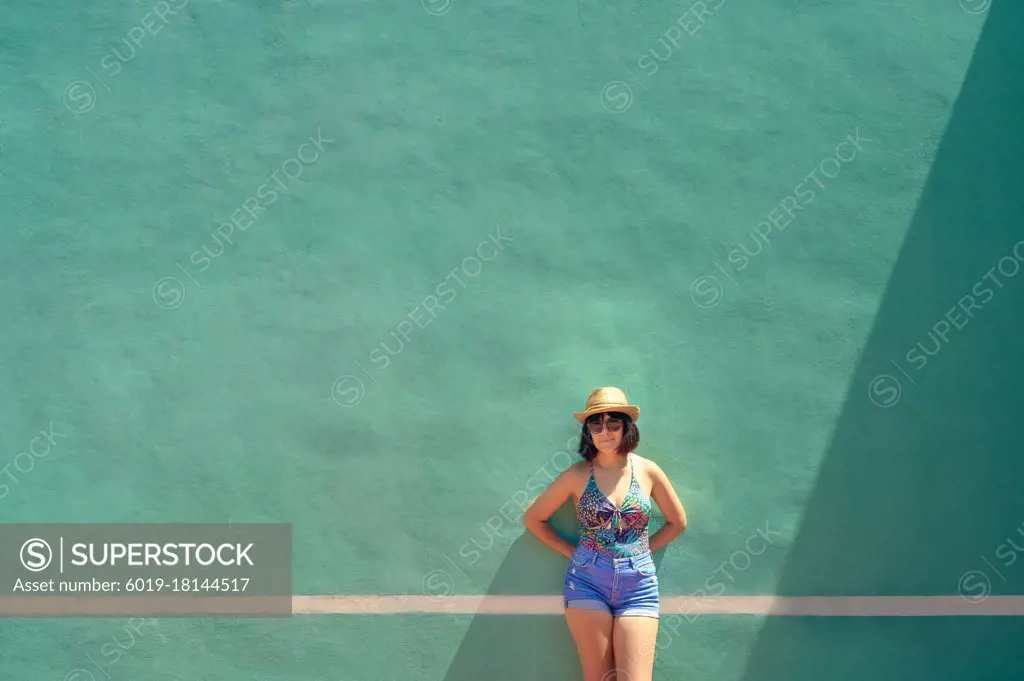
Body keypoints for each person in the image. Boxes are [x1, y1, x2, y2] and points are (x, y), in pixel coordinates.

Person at [523, 387, 688, 681]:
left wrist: (644, 550)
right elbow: (535, 519)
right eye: (596, 424)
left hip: (638, 585)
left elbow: (677, 522)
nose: (605, 431)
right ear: (588, 432)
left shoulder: (648, 471)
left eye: (614, 423)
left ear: (627, 427)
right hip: (587, 581)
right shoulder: (576, 475)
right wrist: (572, 553)